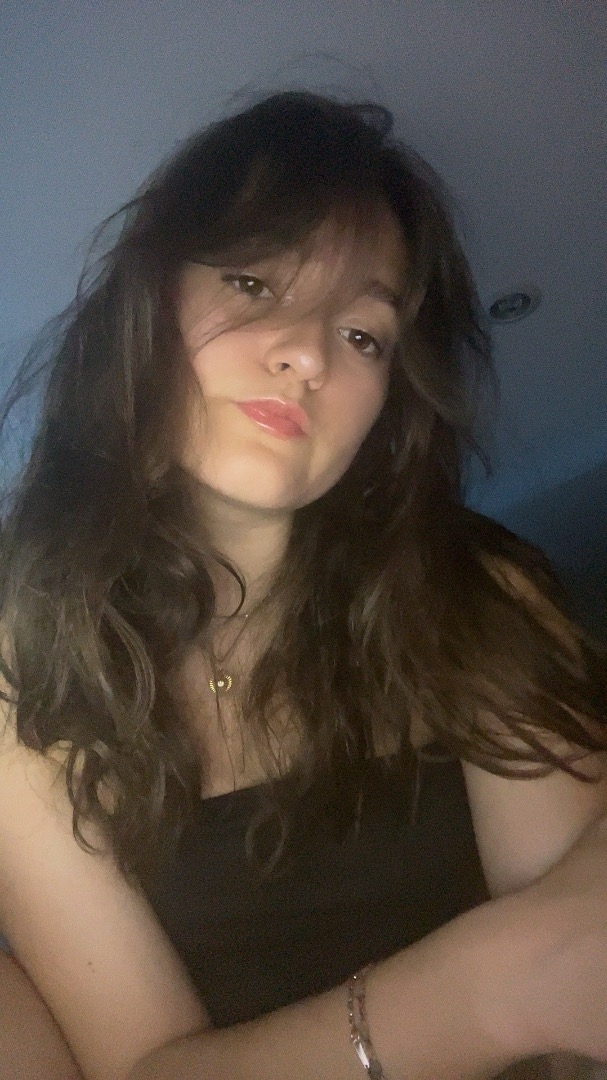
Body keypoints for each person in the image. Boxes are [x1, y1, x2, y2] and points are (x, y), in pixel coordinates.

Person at [0, 89, 606, 1080]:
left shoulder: (478, 594)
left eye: (363, 336)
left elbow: (581, 975)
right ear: (145, 309)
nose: (309, 353)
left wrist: (532, 982)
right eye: (252, 283)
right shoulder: (27, 665)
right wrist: (492, 988)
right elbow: (148, 1069)